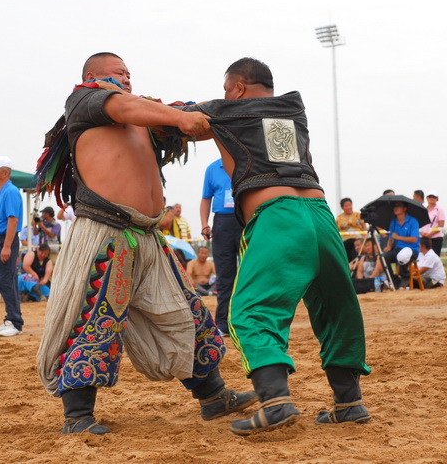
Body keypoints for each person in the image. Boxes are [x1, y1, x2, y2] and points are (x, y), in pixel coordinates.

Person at [36, 52, 255, 436]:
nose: (126, 78)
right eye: (117, 72)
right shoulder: (85, 101)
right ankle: (78, 417)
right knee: (92, 319)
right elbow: (132, 106)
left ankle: (214, 395)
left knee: (186, 313)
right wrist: (177, 115)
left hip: (148, 236)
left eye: (129, 73)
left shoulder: (141, 117)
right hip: (104, 236)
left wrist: (227, 110)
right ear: (92, 77)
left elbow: (186, 122)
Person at [183, 57, 370, 435]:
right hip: (319, 214)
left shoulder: (226, 109)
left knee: (248, 310)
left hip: (278, 216)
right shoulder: (292, 108)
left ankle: (274, 401)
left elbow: (187, 122)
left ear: (236, 87)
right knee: (337, 309)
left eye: (226, 90)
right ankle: (349, 402)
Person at [199, 158, 243, 336]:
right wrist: (204, 224)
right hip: (222, 223)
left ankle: (247, 321)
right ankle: (223, 323)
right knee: (225, 275)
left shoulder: (247, 161)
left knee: (250, 271)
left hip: (246, 220)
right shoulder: (212, 168)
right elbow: (205, 199)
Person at [0, 156, 25, 337]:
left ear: (5, 173)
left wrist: (7, 246)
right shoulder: (2, 192)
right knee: (4, 280)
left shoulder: (10, 192)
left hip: (4, 240)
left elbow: (13, 220)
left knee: (7, 280)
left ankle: (15, 321)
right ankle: (11, 318)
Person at [370, 201, 419, 288]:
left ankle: (405, 276)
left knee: (402, 254)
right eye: (394, 206)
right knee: (383, 256)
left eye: (398, 206)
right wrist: (389, 246)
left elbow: (414, 239)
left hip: (412, 250)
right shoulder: (393, 223)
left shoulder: (413, 221)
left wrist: (399, 237)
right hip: (398, 249)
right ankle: (392, 280)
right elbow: (391, 238)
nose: (395, 208)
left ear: (405, 209)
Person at [337, 197, 367, 262]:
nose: (349, 207)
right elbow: (337, 230)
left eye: (350, 205)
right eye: (347, 206)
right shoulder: (339, 218)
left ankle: (356, 269)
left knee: (356, 257)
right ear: (342, 208)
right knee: (347, 258)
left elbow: (364, 226)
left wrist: (364, 237)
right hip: (345, 241)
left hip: (357, 239)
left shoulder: (358, 215)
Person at [420, 190, 445, 256]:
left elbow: (441, 225)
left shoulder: (439, 209)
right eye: (430, 196)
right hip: (423, 238)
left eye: (433, 197)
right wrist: (422, 233)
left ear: (437, 199)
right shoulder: (423, 209)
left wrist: (429, 235)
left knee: (434, 258)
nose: (431, 198)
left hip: (435, 238)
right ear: (427, 198)